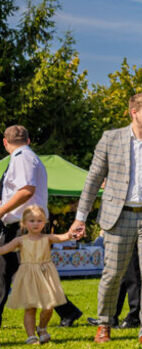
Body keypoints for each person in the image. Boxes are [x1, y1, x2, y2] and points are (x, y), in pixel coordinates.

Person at [71, 92, 142, 345]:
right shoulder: (111, 139)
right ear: (134, 112)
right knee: (113, 273)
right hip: (118, 217)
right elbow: (93, 179)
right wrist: (80, 217)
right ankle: (104, 323)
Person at [1, 125, 83, 328]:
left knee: (21, 274)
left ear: (5, 143)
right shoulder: (27, 157)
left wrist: (1, 211)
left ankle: (68, 311)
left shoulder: (22, 158)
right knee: (9, 272)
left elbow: (26, 190)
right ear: (28, 140)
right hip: (24, 226)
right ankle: (68, 311)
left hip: (25, 226)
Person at [0, 205, 77, 344]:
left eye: (39, 220)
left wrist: (71, 233)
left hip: (46, 275)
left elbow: (63, 237)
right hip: (28, 276)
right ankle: (31, 336)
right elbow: (4, 249)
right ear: (24, 223)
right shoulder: (20, 240)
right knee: (30, 308)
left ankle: (42, 328)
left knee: (49, 306)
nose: (36, 224)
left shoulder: (48, 238)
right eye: (31, 221)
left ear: (44, 222)